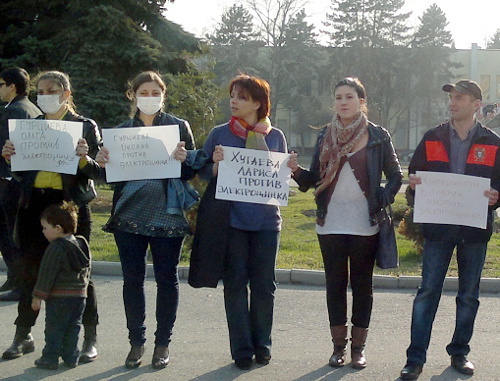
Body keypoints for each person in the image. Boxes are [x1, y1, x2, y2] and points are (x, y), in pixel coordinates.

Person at [288, 77, 402, 369]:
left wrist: (380, 198)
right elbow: (313, 179)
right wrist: (294, 170)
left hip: (366, 223)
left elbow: (395, 176)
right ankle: (338, 347)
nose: (343, 102)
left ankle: (358, 349)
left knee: (362, 286)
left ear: (361, 102)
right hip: (330, 223)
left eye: (349, 97)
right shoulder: (325, 134)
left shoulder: (377, 135)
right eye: (338, 97)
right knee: (335, 285)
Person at [95, 71, 206, 369]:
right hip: (129, 215)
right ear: (133, 95)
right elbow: (108, 178)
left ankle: (162, 343)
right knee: (132, 280)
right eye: (143, 92)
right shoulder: (120, 132)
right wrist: (102, 161)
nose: (149, 98)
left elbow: (191, 172)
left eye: (155, 92)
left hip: (167, 214)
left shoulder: (178, 126)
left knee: (167, 279)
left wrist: (185, 159)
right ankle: (136, 342)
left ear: (163, 94)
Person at [399, 80, 500, 380]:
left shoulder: (493, 142)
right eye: (451, 98)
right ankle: (415, 358)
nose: (453, 102)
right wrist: (415, 184)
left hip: (474, 230)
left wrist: (497, 197)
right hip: (438, 228)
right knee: (427, 292)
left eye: (460, 97)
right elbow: (415, 175)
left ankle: (459, 353)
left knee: (468, 295)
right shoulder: (433, 136)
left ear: (476, 104)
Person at [1, 70, 102, 363]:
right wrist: (9, 156)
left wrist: (84, 158)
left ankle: (89, 338)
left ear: (66, 94)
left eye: (52, 90)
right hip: (36, 206)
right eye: (40, 91)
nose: (45, 96)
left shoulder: (83, 126)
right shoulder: (29, 127)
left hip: (69, 206)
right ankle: (23, 335)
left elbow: (97, 172)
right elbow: (22, 173)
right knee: (28, 269)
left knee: (80, 273)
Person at [189, 74, 288, 370]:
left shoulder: (275, 136)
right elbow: (202, 172)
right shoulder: (220, 133)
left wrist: (290, 167)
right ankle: (242, 349)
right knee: (234, 284)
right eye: (232, 95)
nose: (233, 101)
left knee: (264, 285)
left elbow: (279, 176)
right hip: (230, 221)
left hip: (267, 222)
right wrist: (216, 166)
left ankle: (263, 344)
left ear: (258, 103)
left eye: (242, 97)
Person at [32, 201, 91, 370]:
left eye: (45, 228)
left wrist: (38, 296)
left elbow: (46, 274)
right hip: (80, 296)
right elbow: (88, 270)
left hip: (59, 296)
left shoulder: (56, 248)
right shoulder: (81, 244)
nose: (43, 232)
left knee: (54, 328)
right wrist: (84, 289)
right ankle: (71, 356)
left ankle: (50, 357)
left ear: (57, 228)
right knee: (73, 326)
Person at [0, 68, 42, 302]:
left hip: (10, 180)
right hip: (23, 181)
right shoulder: (31, 108)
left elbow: (4, 147)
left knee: (9, 234)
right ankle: (14, 277)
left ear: (12, 86)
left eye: (1, 84)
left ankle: (19, 281)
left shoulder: (14, 110)